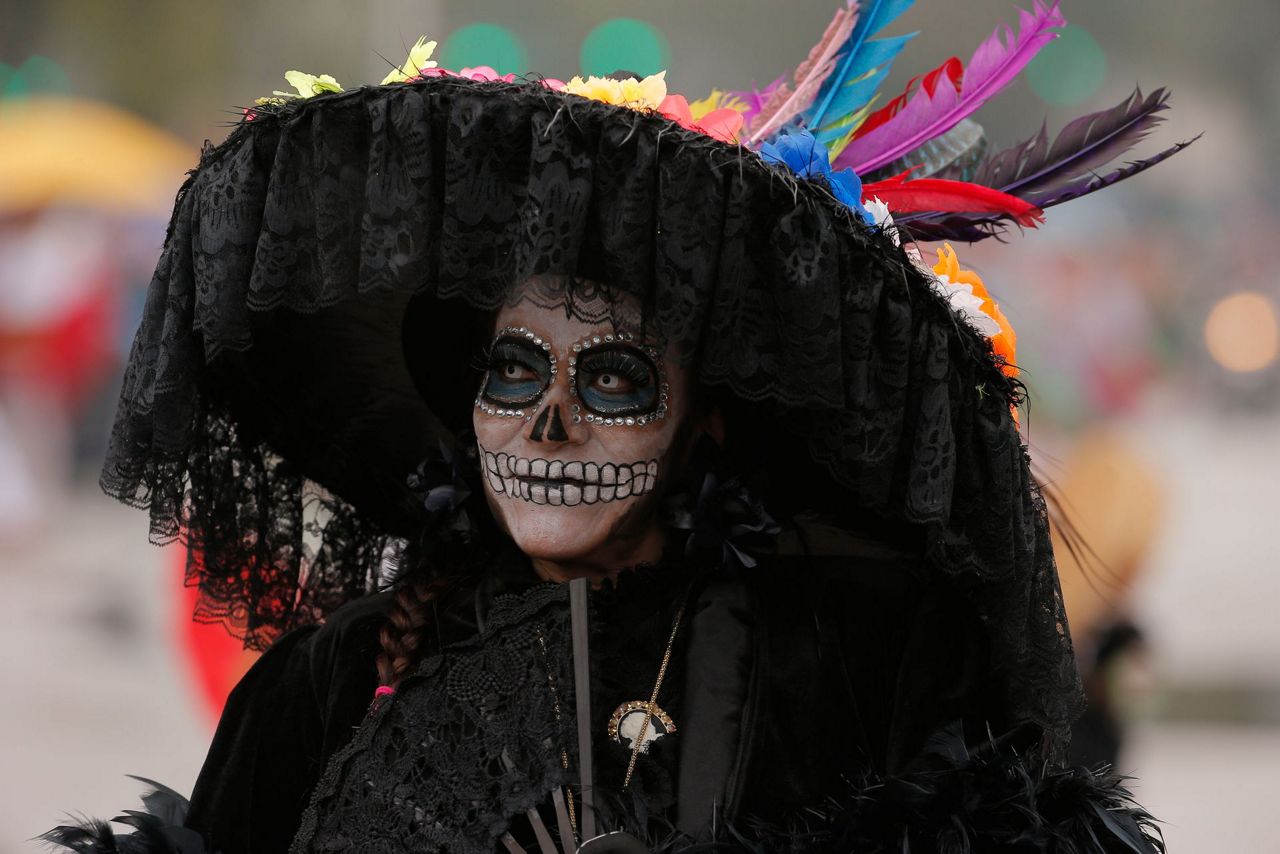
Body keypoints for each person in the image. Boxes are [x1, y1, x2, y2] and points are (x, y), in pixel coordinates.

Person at [45, 3, 1189, 851]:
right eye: (511, 368)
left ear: (708, 423)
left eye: (610, 380)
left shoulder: (847, 665)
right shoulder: (335, 678)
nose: (544, 424)